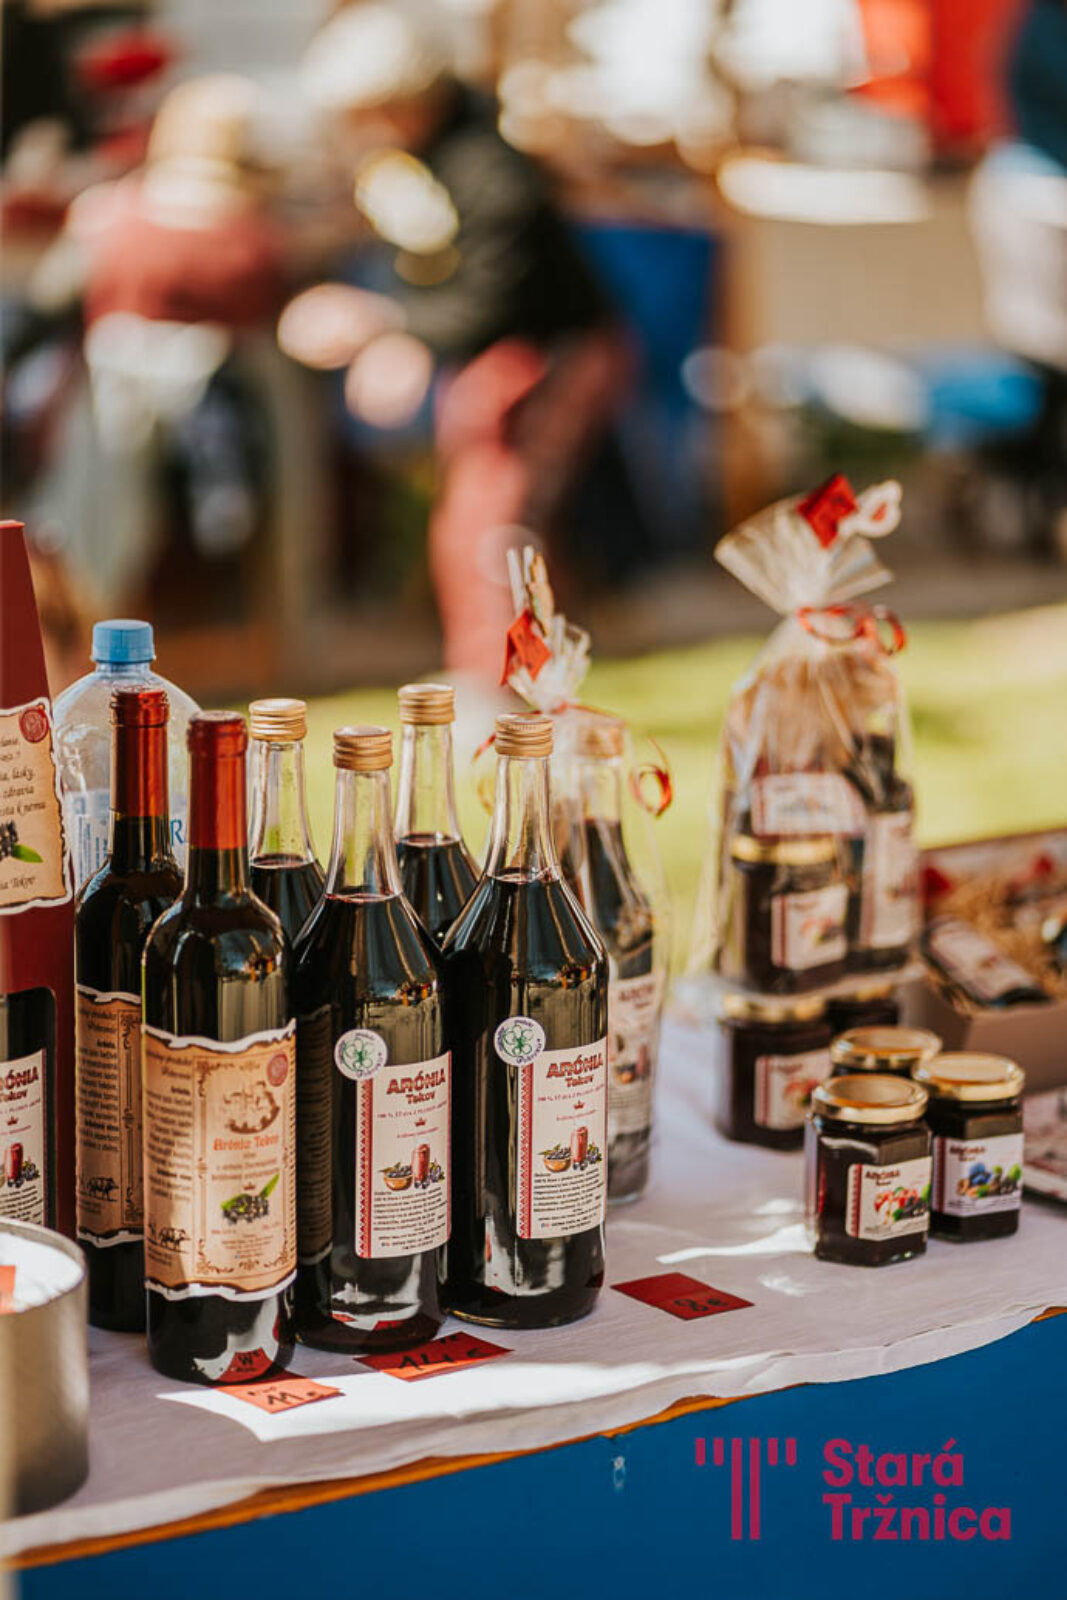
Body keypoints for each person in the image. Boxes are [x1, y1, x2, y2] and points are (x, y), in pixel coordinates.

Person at [282, 1, 632, 680]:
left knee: (493, 518)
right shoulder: (414, 166)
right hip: (498, 357)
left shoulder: (488, 170)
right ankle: (524, 667)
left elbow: (489, 297)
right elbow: (428, 272)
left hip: (550, 353)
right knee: (481, 516)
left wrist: (386, 328)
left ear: (406, 100)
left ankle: (501, 676)